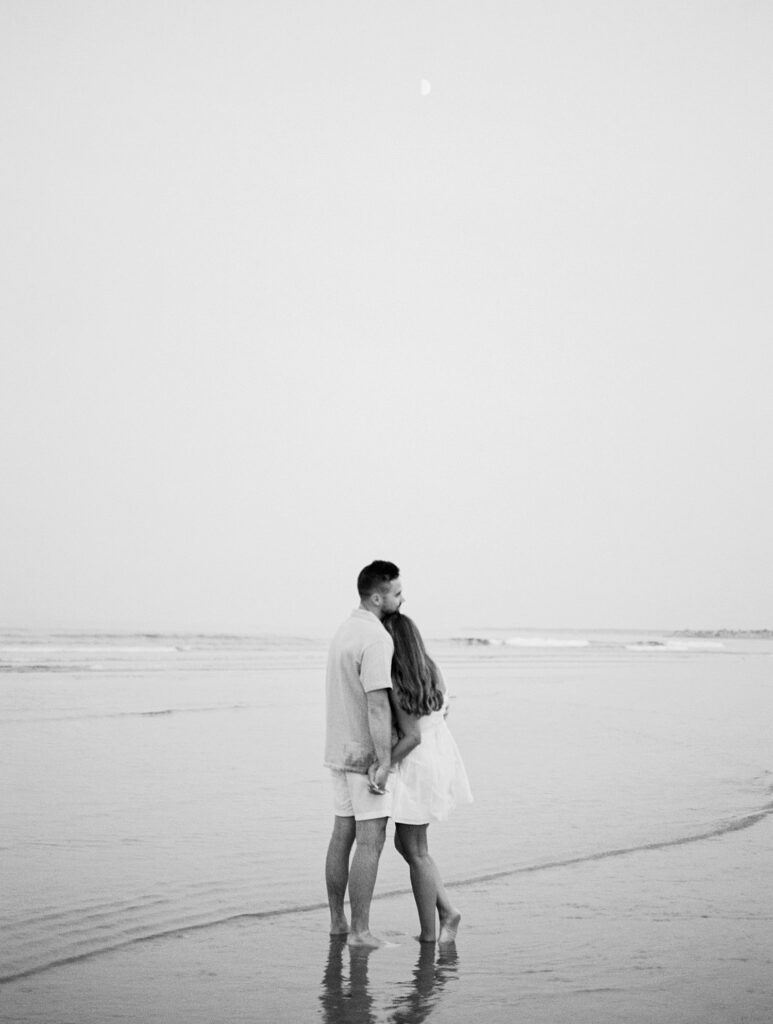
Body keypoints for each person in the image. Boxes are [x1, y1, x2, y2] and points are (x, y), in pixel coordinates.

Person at [324, 560, 404, 947]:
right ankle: (360, 932)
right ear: (378, 596)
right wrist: (385, 760)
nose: (401, 598)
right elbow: (377, 704)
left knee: (342, 835)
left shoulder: (343, 631)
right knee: (371, 841)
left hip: (337, 750)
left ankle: (339, 923)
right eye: (397, 593)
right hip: (363, 757)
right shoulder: (376, 638)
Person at [383, 612, 473, 944]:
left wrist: (383, 766)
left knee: (416, 850)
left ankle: (431, 932)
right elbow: (442, 708)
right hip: (438, 757)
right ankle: (446, 910)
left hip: (418, 763)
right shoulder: (429, 667)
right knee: (407, 844)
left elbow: (412, 737)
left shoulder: (400, 677)